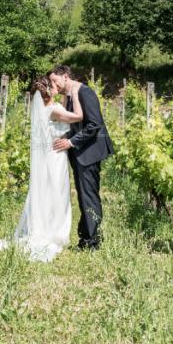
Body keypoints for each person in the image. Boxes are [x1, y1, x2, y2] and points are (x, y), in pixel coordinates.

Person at [0, 75, 83, 262]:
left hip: (50, 152)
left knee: (50, 191)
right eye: (53, 85)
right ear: (49, 91)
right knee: (57, 192)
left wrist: (66, 97)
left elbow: (60, 110)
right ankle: (55, 231)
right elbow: (78, 116)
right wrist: (75, 94)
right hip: (56, 156)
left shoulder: (47, 108)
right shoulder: (54, 110)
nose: (57, 86)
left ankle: (50, 226)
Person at [49, 65, 114, 250]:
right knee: (84, 197)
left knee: (89, 197)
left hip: (89, 152)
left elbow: (94, 125)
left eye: (55, 80)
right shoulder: (70, 96)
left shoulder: (85, 92)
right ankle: (86, 239)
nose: (53, 84)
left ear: (66, 77)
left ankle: (93, 242)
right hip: (80, 153)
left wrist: (71, 143)